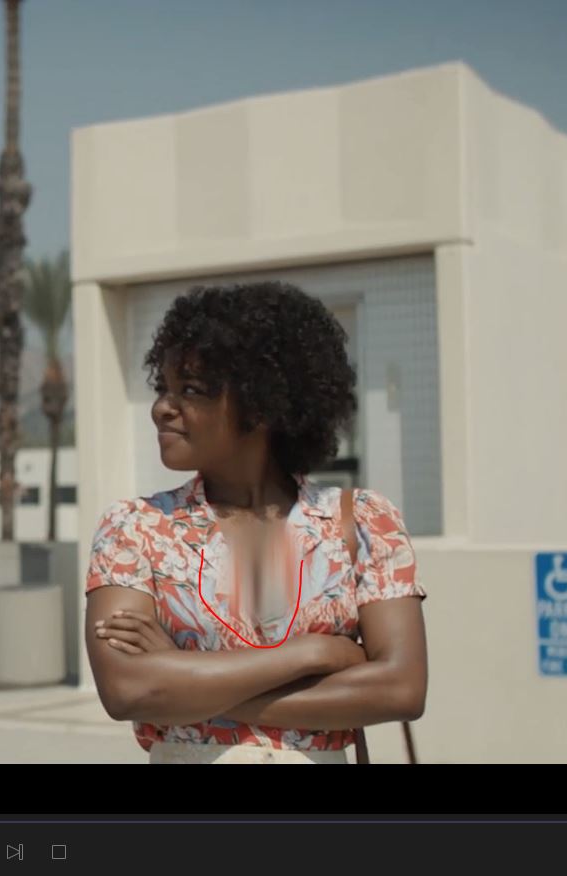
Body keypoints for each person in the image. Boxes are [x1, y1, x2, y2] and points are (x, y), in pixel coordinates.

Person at [85, 281, 427, 764]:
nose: (162, 406)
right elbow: (129, 689)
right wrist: (312, 656)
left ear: (261, 403)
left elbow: (401, 689)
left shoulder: (364, 523)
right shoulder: (135, 529)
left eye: (191, 390)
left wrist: (186, 678)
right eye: (163, 387)